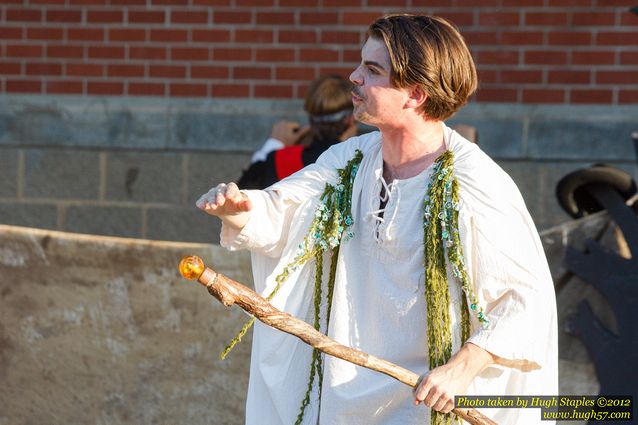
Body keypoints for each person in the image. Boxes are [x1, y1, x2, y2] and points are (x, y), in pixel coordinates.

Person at [197, 14, 558, 425]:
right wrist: (240, 211)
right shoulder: (347, 160)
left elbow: (525, 300)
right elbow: (284, 210)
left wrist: (461, 368)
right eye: (360, 65)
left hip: (430, 402)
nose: (354, 77)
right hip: (344, 397)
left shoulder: (476, 184)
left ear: (416, 94)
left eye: (372, 70)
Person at [238, 75, 358, 189]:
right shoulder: (361, 160)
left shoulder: (282, 159)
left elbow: (244, 190)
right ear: (351, 119)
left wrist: (274, 143)